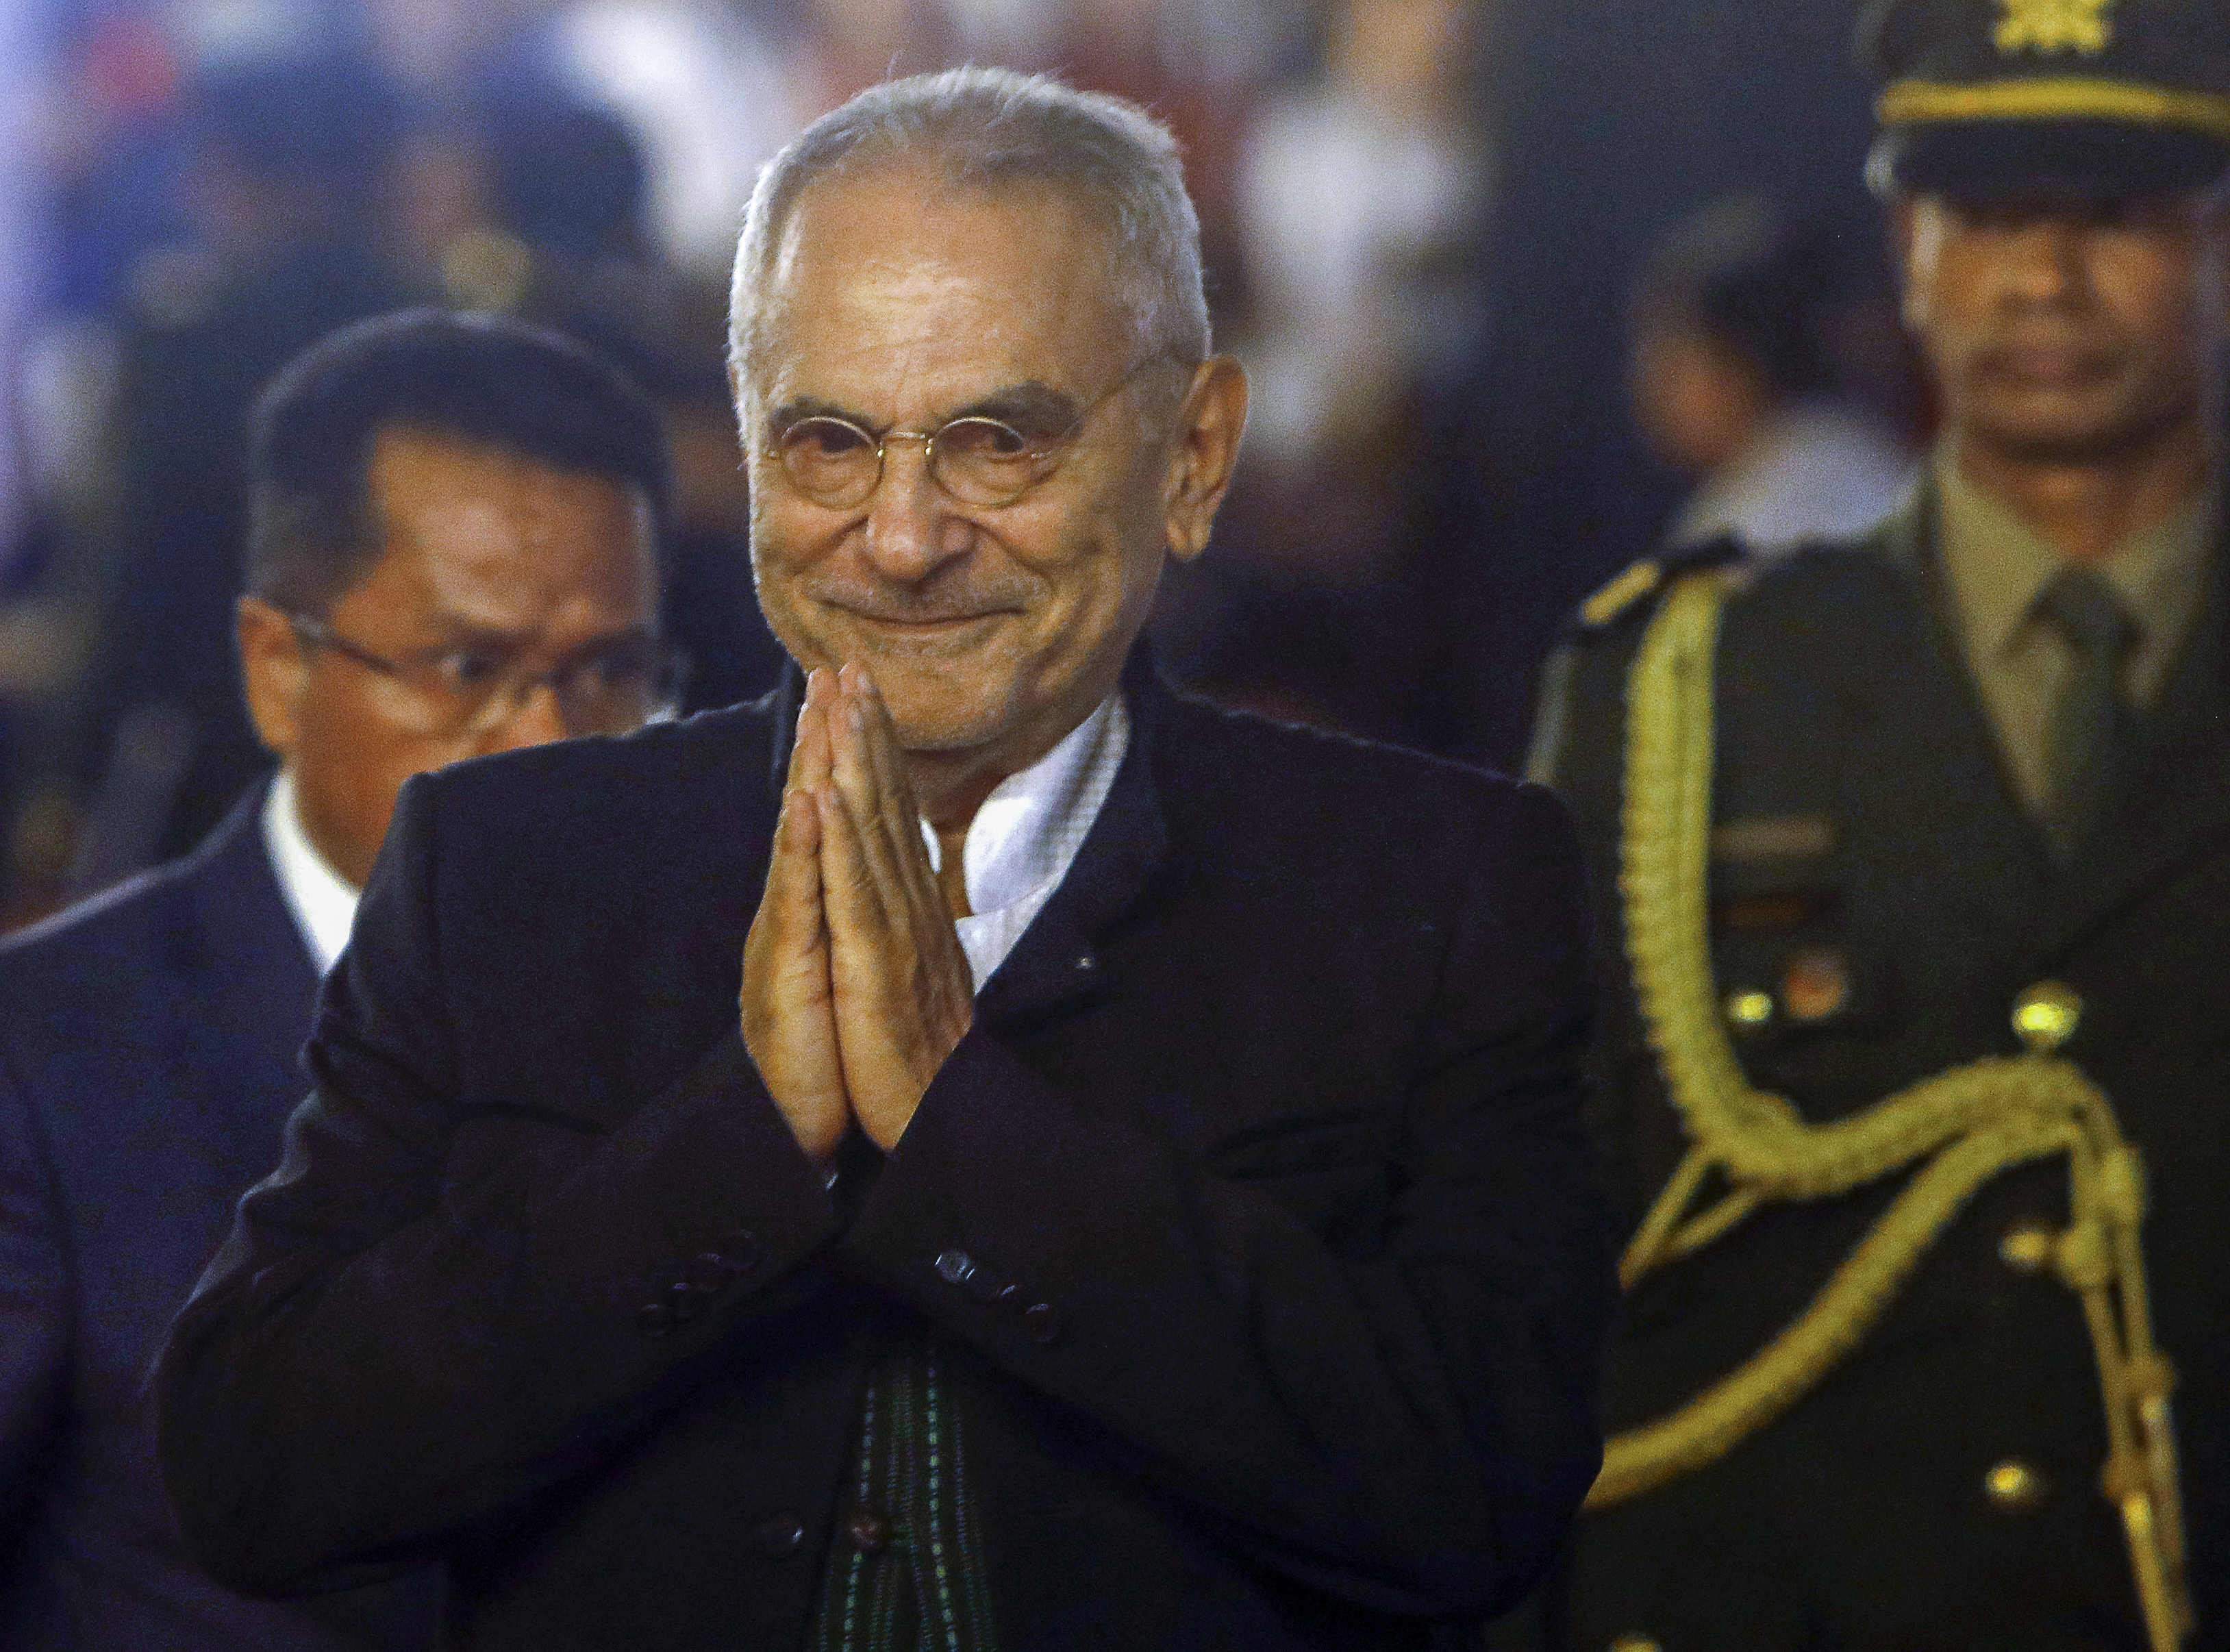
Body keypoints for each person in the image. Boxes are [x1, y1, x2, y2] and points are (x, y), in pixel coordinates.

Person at [155, 68, 1616, 1651]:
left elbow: (1477, 1500)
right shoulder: (503, 866)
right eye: (830, 443)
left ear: (1194, 458)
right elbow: (257, 1470)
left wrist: (960, 1125)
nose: (904, 537)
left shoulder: (1440, 886)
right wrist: (740, 1144)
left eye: (996, 442)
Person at [1528, 1, 2230, 1647]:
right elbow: (1536, 1250)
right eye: (1982, 215)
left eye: (2114, 215)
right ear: (1906, 244)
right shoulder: (1679, 690)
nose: (2042, 278)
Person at [0, 308, 678, 1649]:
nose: (547, 746)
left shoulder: (723, 1034)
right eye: (470, 669)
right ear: (274, 671)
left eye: (608, 674)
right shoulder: (42, 1072)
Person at [1626, 192, 1914, 556]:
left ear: (1735, 364)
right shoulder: (1870, 455)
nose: (1648, 388)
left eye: (1669, 359)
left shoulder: (1745, 522)